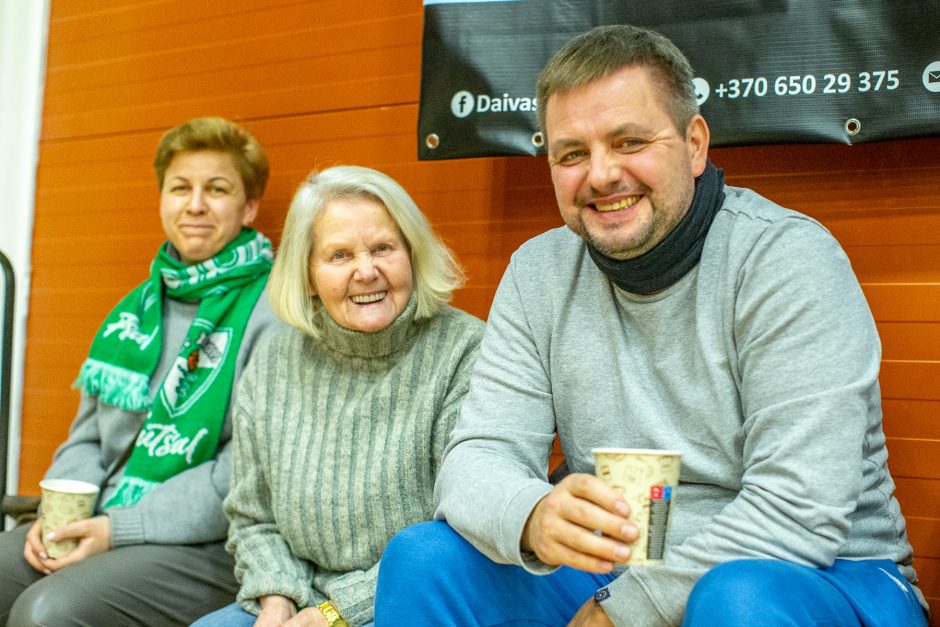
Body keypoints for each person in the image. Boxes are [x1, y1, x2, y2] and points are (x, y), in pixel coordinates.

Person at [373, 24, 929, 627]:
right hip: (620, 561)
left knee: (736, 601)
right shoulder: (537, 272)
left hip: (825, 575)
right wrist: (531, 518)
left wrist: (623, 612)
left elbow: (799, 511)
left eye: (629, 141)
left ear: (694, 144)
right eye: (572, 154)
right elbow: (477, 457)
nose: (602, 174)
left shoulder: (786, 258)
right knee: (423, 558)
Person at [0, 117, 281, 626]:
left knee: (46, 614)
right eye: (180, 188)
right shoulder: (134, 314)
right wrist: (59, 517)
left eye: (216, 189)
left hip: (210, 545)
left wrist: (117, 528)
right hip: (101, 522)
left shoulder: (274, 313)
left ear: (250, 207)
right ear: (162, 200)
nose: (195, 204)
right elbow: (86, 439)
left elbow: (244, 473)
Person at [191, 165, 484, 627]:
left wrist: (335, 613)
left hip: (410, 601)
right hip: (295, 598)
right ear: (307, 274)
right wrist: (276, 602)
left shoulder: (464, 353)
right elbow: (252, 515)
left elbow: (462, 532)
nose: (366, 271)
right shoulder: (272, 361)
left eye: (384, 248)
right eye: (339, 255)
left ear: (412, 253)